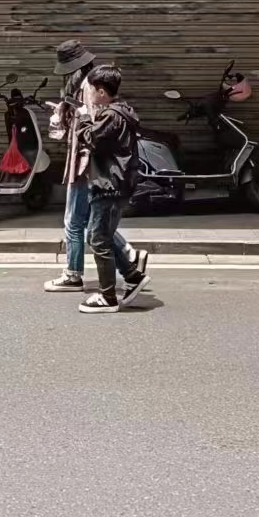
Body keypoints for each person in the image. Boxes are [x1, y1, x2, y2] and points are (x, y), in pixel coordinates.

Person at [44, 39, 141, 293]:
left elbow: (93, 129)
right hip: (85, 160)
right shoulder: (86, 85)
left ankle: (75, 274)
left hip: (85, 162)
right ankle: (129, 264)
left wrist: (72, 116)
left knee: (75, 221)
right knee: (91, 223)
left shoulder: (88, 87)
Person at [75, 64, 149, 313]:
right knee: (99, 236)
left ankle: (108, 297)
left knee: (99, 240)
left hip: (109, 185)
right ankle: (133, 275)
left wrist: (84, 116)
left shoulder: (111, 116)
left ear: (101, 92)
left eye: (91, 90)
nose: (88, 94)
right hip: (113, 183)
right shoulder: (120, 112)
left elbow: (90, 138)